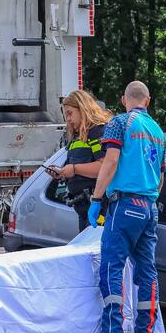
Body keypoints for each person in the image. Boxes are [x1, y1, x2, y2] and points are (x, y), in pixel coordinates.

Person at [81, 81, 166, 333]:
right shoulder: (158, 131)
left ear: (123, 99)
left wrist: (96, 199)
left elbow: (111, 161)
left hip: (125, 204)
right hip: (149, 206)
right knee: (147, 271)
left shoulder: (119, 123)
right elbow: (161, 177)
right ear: (148, 100)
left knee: (112, 266)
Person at [46, 90, 111, 230]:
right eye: (65, 115)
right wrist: (61, 173)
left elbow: (104, 167)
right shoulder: (77, 137)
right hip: (83, 208)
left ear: (83, 109)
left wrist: (74, 169)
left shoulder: (97, 131)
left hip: (99, 207)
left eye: (70, 113)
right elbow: (73, 167)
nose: (68, 119)